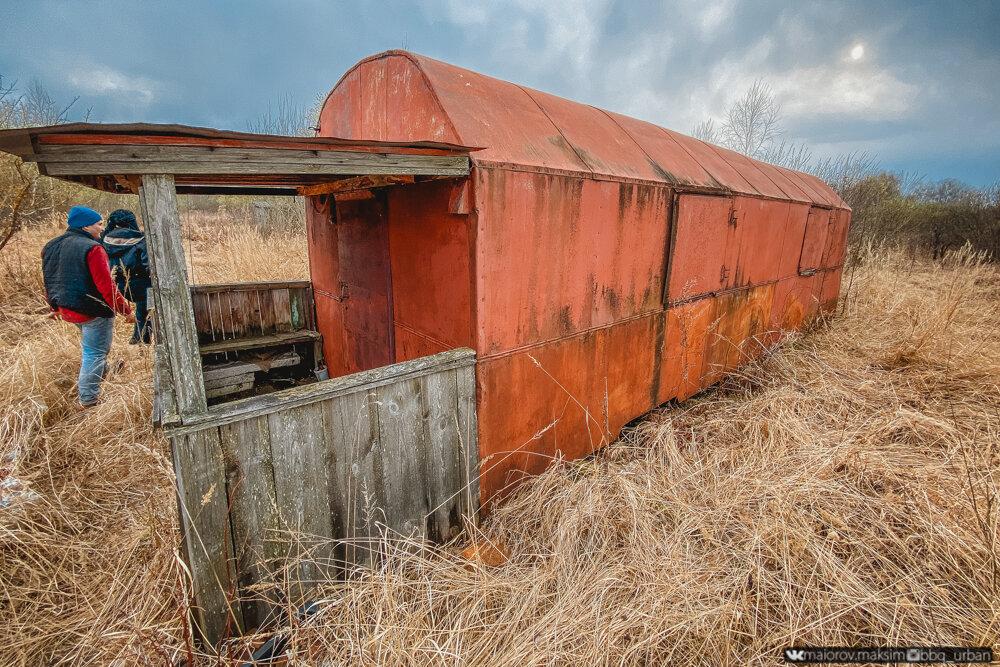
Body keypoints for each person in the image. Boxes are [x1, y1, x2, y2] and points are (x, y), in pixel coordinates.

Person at [41, 206, 134, 408]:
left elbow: (50, 280)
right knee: (94, 353)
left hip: (68, 308)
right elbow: (106, 287)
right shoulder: (92, 248)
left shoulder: (51, 245)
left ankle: (103, 371)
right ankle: (89, 399)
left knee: (92, 347)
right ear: (85, 226)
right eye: (99, 224)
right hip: (93, 311)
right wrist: (126, 311)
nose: (102, 228)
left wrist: (54, 307)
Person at [102, 209, 152, 344]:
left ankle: (138, 338)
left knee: (144, 308)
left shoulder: (104, 239)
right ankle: (141, 339)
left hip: (117, 284)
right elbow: (148, 265)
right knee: (146, 309)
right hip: (140, 283)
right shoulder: (141, 239)